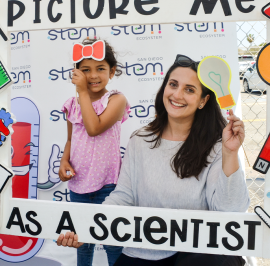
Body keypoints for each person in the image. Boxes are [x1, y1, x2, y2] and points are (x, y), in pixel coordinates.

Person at [57, 54, 250, 266]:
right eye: (173, 84)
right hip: (142, 253)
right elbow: (123, 197)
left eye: (189, 89)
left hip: (195, 254)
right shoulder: (140, 140)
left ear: (203, 101)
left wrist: (230, 153)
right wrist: (86, 229)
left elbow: (230, 212)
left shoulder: (216, 146)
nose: (177, 94)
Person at [58, 39, 130, 266]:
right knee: (82, 244)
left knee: (112, 243)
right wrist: (64, 161)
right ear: (77, 72)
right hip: (78, 185)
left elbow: (93, 128)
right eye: (86, 70)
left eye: (100, 69)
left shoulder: (116, 100)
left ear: (112, 71)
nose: (93, 76)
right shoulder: (72, 103)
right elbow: (71, 139)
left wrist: (82, 92)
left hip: (108, 186)